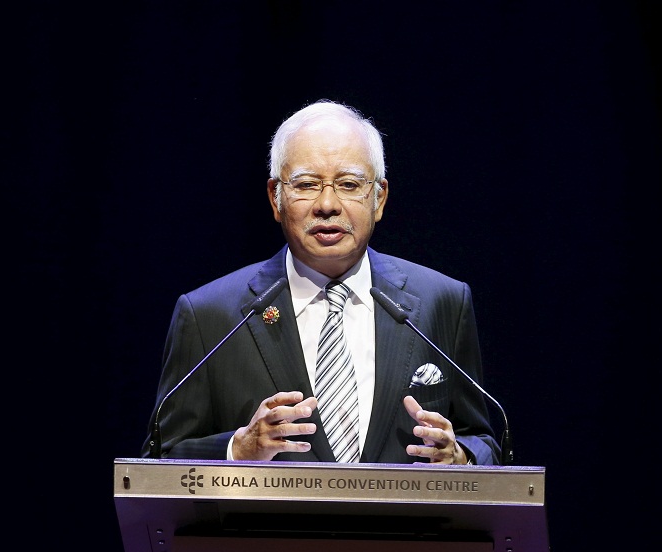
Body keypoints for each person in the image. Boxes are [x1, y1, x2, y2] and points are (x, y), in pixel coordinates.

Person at [141, 100, 501, 466]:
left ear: (379, 199)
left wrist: (461, 457)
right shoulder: (210, 316)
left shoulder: (442, 302)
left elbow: (486, 442)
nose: (327, 204)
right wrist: (239, 449)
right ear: (275, 199)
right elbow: (161, 458)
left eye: (348, 184)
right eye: (307, 184)